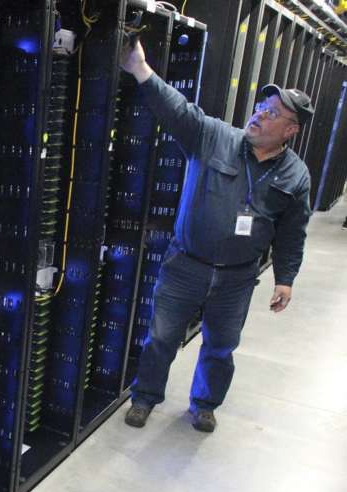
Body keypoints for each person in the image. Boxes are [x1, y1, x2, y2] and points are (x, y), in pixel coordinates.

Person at [119, 37, 314, 433]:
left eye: (272, 112)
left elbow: (292, 232)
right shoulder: (214, 137)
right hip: (186, 264)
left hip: (238, 277)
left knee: (221, 346)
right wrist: (141, 68)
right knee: (161, 338)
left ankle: (205, 403)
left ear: (290, 129)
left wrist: (286, 279)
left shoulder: (296, 176)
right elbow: (177, 110)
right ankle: (145, 397)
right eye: (261, 106)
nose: (259, 114)